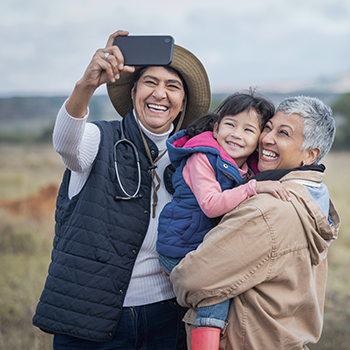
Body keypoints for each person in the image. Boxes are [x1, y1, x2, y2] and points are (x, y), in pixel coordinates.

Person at [32, 30, 211, 350]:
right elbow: (65, 141)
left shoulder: (192, 158)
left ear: (183, 101)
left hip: (168, 316)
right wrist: (86, 85)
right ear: (133, 92)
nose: (160, 94)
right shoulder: (98, 139)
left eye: (173, 86)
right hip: (92, 318)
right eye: (150, 83)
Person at [171, 96, 341, 350]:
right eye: (268, 127)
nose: (266, 139)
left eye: (283, 133)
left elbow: (192, 279)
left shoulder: (269, 209)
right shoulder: (314, 198)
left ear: (311, 155)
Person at [156, 90, 291, 348]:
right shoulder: (202, 158)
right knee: (215, 293)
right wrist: (253, 188)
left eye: (248, 130)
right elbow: (211, 205)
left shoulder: (247, 168)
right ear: (216, 128)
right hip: (179, 247)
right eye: (230, 124)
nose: (237, 134)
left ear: (259, 140)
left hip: (202, 247)